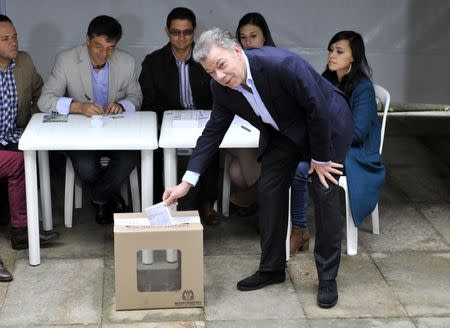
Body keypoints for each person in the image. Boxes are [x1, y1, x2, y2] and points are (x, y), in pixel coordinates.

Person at [163, 27, 354, 309]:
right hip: (284, 131)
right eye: (210, 72)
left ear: (237, 51)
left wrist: (320, 157)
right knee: (269, 187)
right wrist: (186, 183)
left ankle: (327, 278)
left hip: (327, 124)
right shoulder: (221, 88)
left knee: (323, 191)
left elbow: (317, 108)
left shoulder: (282, 64)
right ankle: (272, 268)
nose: (219, 76)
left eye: (221, 66)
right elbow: (212, 133)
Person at [38, 15, 142, 225]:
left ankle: (100, 199)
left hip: (117, 134)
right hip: (81, 136)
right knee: (85, 166)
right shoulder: (66, 60)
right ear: (87, 39)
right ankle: (110, 197)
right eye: (98, 46)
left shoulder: (127, 62)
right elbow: (44, 100)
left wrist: (122, 105)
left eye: (110, 48)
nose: (104, 53)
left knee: (129, 159)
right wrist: (79, 107)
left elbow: (136, 97)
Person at [139, 7, 220, 225]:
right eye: (176, 32)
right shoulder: (153, 62)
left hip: (204, 123)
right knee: (164, 153)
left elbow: (219, 97)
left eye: (187, 32)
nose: (181, 38)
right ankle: (180, 208)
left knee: (209, 146)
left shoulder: (208, 60)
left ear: (195, 32)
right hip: (168, 126)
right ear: (167, 31)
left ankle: (204, 204)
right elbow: (148, 103)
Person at [0, 14, 58, 250]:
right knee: (20, 163)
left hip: (14, 136)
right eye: (5, 39)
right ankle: (22, 231)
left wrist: (36, 125)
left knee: (48, 155)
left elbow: (40, 95)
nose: (14, 42)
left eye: (15, 36)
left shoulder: (23, 61)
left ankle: (24, 228)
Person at [225, 12, 275, 215]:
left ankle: (257, 201)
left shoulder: (275, 62)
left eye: (253, 36)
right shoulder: (236, 64)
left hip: (273, 132)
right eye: (243, 37)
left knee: (236, 172)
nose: (248, 42)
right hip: (242, 127)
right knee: (241, 147)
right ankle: (262, 201)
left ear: (264, 37)